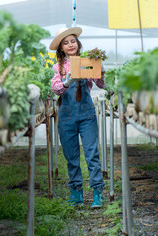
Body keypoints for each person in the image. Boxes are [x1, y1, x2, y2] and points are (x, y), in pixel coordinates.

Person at [49, 27, 106, 208]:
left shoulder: (87, 60)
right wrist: (67, 81)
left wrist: (100, 70)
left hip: (86, 113)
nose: (70, 44)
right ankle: (76, 194)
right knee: (71, 157)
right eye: (65, 43)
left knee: (92, 154)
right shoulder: (57, 67)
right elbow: (56, 89)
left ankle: (97, 193)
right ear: (61, 48)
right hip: (66, 116)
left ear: (77, 43)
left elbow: (100, 84)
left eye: (72, 41)